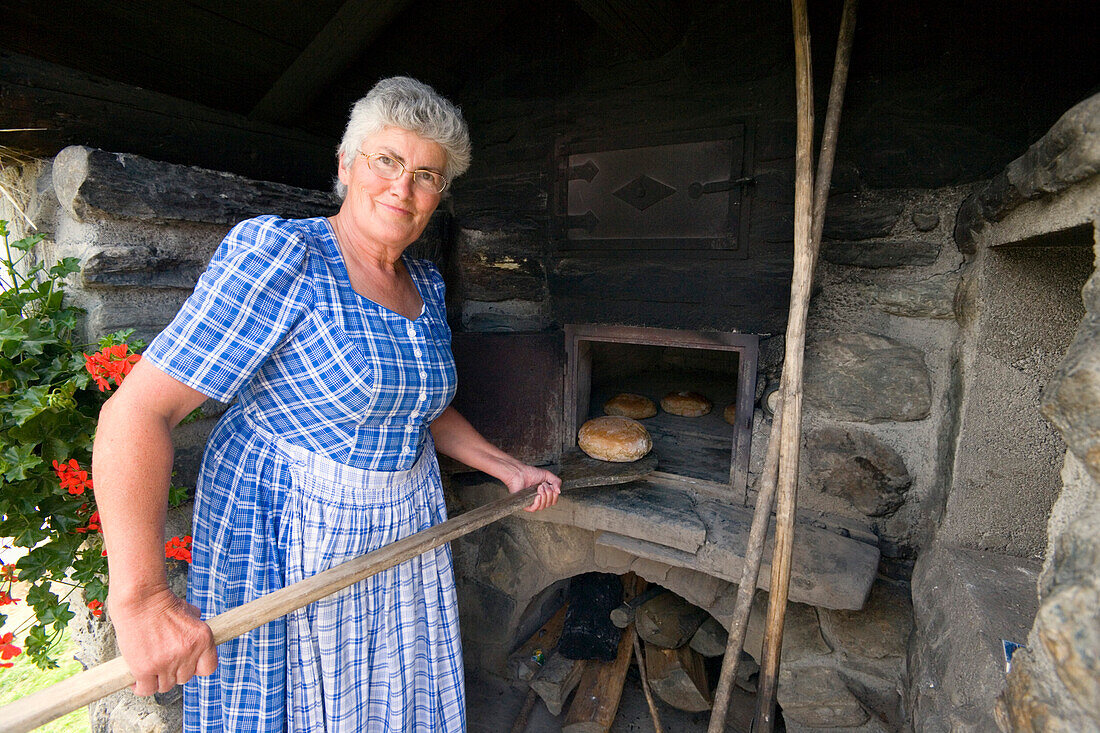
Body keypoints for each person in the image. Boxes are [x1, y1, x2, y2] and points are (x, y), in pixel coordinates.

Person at [92, 76, 561, 732]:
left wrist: (506, 467)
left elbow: (417, 409)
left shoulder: (422, 280)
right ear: (346, 165)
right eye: (387, 161)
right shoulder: (288, 258)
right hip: (290, 534)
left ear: (439, 195)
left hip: (400, 527)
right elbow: (136, 413)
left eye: (426, 174)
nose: (403, 186)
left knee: (383, 698)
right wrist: (140, 599)